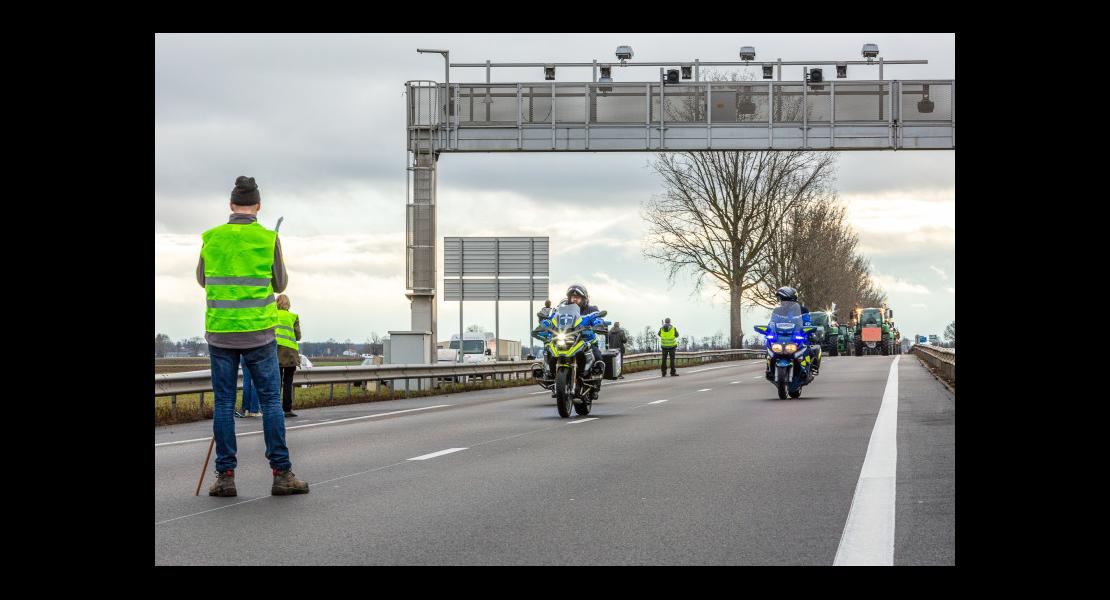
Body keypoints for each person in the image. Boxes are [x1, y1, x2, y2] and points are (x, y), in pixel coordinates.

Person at [196, 175, 309, 497]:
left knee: (224, 404)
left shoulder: (211, 237)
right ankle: (282, 474)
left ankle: (225, 476)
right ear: (258, 206)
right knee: (272, 402)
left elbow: (203, 279)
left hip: (220, 332)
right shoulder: (267, 238)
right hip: (259, 333)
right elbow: (280, 283)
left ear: (231, 205)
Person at [775, 286, 820, 374]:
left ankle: (811, 367)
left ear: (791, 300)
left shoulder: (803, 310)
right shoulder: (777, 311)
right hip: (782, 336)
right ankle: (770, 366)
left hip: (797, 335)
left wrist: (808, 327)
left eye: (784, 300)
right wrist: (769, 329)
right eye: (781, 300)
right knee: (770, 345)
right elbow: (772, 323)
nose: (782, 302)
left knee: (809, 348)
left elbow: (807, 322)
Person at [274, 294, 302, 417]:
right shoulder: (293, 316)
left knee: (277, 382)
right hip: (291, 353)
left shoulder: (272, 315)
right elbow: (298, 336)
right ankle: (287, 409)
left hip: (277, 352)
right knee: (288, 382)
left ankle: (275, 409)